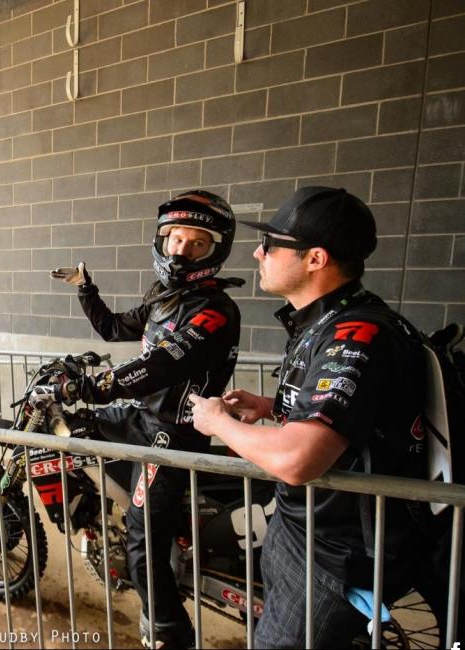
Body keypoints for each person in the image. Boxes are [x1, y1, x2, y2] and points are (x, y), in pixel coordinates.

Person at [188, 187, 442, 647]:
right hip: (306, 533)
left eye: (272, 245)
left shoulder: (356, 332)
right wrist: (272, 407)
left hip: (330, 557)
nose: (257, 252)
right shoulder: (329, 322)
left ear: (315, 259)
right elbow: (361, 417)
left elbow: (299, 459)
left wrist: (217, 422)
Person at [52, 190, 242, 649]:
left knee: (143, 546)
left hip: (173, 435)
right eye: (175, 238)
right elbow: (114, 328)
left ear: (215, 250)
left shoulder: (215, 310)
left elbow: (162, 364)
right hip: (140, 416)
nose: (181, 249)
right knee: (75, 424)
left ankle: (165, 631)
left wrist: (96, 385)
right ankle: (99, 523)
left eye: (196, 243)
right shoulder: (164, 299)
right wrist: (85, 288)